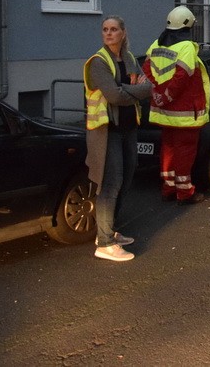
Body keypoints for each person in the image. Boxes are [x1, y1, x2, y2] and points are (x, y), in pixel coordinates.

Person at [84, 16, 152, 262]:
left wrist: (126, 91)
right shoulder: (98, 62)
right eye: (105, 30)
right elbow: (112, 96)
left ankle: (109, 230)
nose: (108, 33)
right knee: (110, 183)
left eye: (113, 29)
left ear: (123, 33)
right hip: (106, 131)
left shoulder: (131, 59)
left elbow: (149, 87)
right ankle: (104, 243)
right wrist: (133, 92)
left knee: (127, 177)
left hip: (128, 129)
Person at [143, 6, 210, 205]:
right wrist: (167, 96)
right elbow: (182, 77)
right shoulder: (187, 47)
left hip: (163, 112)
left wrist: (156, 94)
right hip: (184, 111)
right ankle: (185, 192)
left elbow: (146, 69)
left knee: (169, 149)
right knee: (185, 151)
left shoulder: (156, 44)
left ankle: (168, 187)